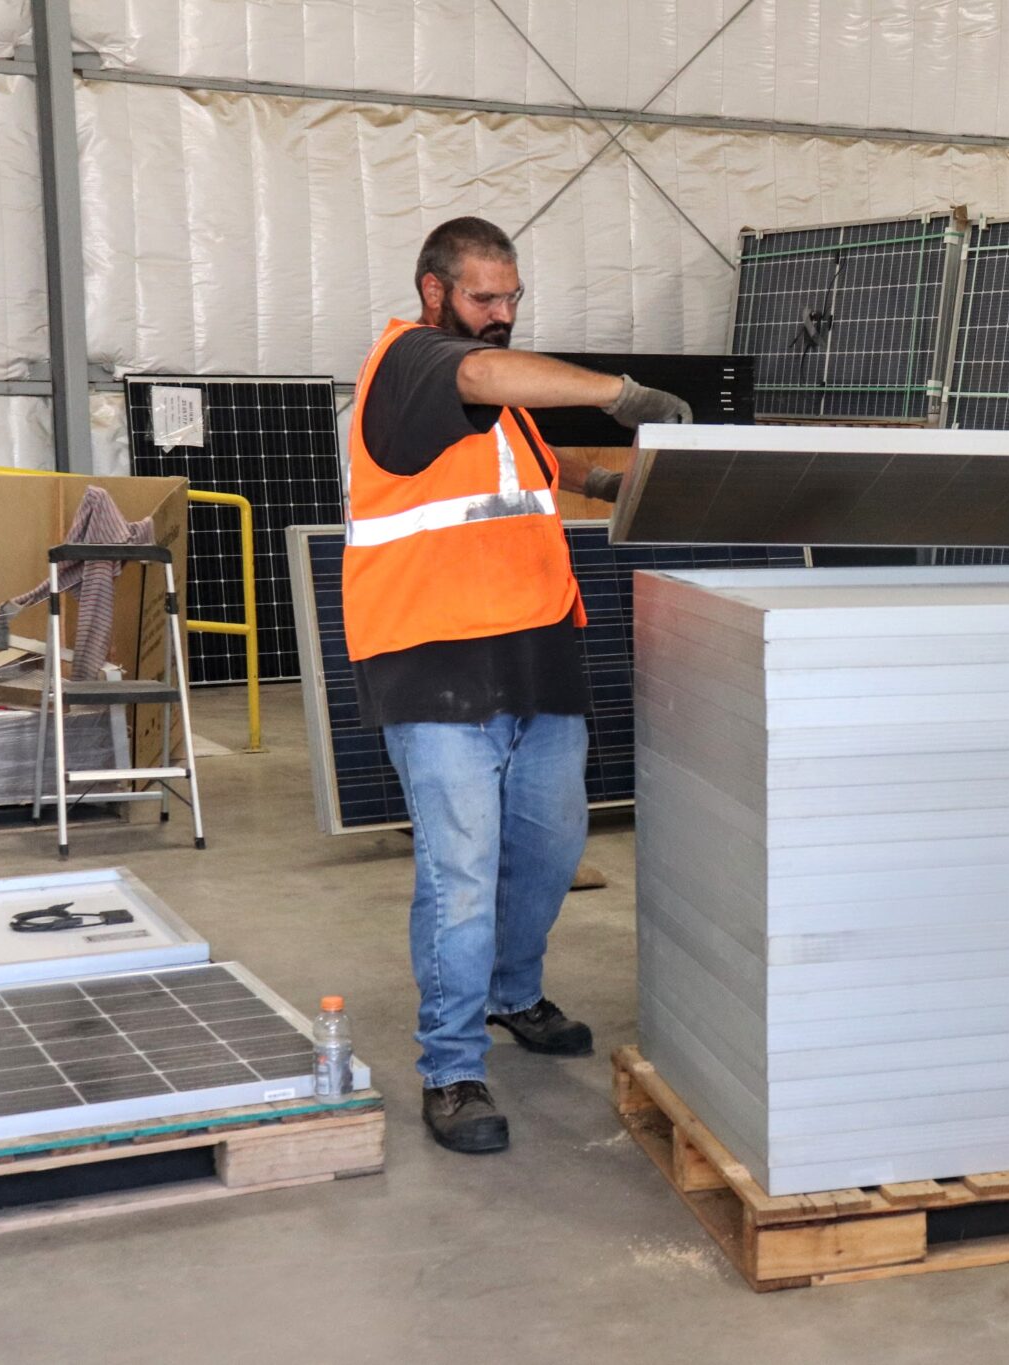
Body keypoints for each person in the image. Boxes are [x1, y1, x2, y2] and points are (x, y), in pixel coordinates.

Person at [341, 216, 690, 1154]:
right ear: (434, 291)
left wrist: (608, 483)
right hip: (433, 664)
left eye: (512, 298)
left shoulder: (491, 401)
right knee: (461, 873)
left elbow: (529, 456)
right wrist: (623, 395)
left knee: (548, 847)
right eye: (483, 297)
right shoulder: (411, 363)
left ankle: (511, 993)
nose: (500, 313)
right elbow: (485, 375)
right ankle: (451, 1067)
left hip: (535, 657)